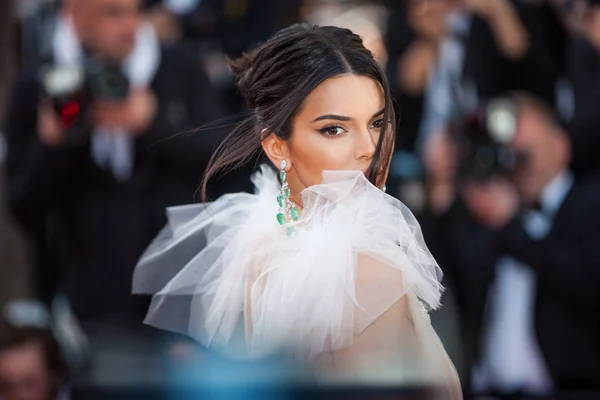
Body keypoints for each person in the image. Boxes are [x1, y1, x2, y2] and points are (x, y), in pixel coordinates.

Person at [132, 23, 462, 397]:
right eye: (334, 129)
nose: (370, 148)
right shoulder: (366, 273)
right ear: (277, 149)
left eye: (376, 122)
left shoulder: (255, 246)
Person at [4, 0, 240, 326]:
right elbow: (24, 209)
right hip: (90, 300)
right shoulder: (41, 84)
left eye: (135, 11)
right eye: (112, 13)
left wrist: (154, 124)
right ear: (75, 14)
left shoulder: (178, 66)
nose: (129, 27)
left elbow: (227, 162)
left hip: (182, 297)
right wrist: (53, 144)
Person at [426, 93, 600, 396]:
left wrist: (511, 228)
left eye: (526, 153)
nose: (516, 161)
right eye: (509, 153)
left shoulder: (589, 205)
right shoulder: (496, 214)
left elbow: (585, 280)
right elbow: (444, 280)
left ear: (562, 146)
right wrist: (445, 188)